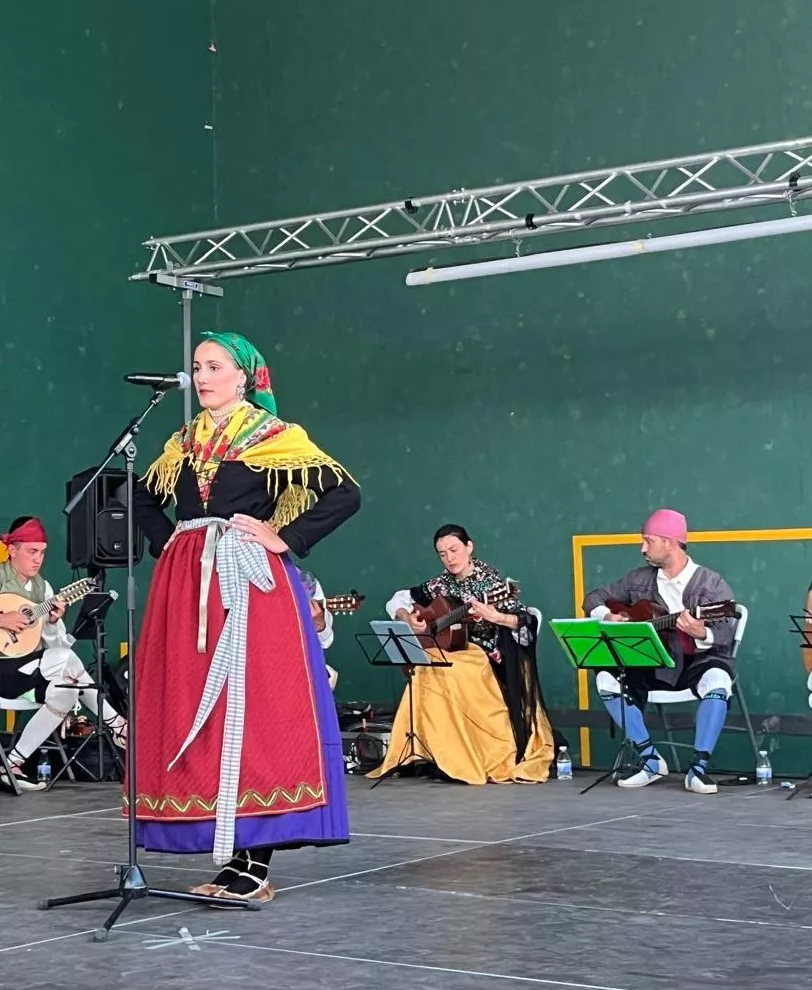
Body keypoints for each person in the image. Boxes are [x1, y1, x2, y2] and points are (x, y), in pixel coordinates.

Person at [133, 332, 361, 902]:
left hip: (251, 587)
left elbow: (345, 494)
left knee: (254, 711)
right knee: (200, 714)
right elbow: (140, 496)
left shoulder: (276, 437)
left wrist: (284, 539)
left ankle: (256, 862)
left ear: (245, 377)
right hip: (188, 586)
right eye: (196, 366)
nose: (202, 376)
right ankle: (230, 854)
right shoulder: (182, 442)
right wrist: (172, 545)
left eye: (214, 366)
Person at [0, 516, 125, 793]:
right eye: (31, 551)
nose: (38, 559)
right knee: (65, 665)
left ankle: (12, 764)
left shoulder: (44, 590)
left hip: (22, 674)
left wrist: (51, 624)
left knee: (66, 690)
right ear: (12, 549)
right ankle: (116, 722)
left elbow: (59, 650)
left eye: (42, 552)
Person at [370, 525, 553, 785]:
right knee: (426, 664)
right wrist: (408, 618)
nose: (449, 558)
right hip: (455, 650)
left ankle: (468, 755)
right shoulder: (440, 583)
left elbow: (524, 620)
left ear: (469, 547)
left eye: (454, 550)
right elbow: (398, 598)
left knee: (446, 668)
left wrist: (495, 615)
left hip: (488, 654)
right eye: (442, 554)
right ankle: (441, 752)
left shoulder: (491, 581)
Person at [583, 508, 737, 794]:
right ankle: (649, 759)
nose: (643, 548)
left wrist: (700, 631)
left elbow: (726, 632)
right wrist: (607, 615)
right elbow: (594, 597)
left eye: (648, 541)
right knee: (605, 679)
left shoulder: (711, 584)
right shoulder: (637, 579)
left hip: (696, 662)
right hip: (653, 664)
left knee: (719, 680)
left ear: (669, 541)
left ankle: (698, 769)